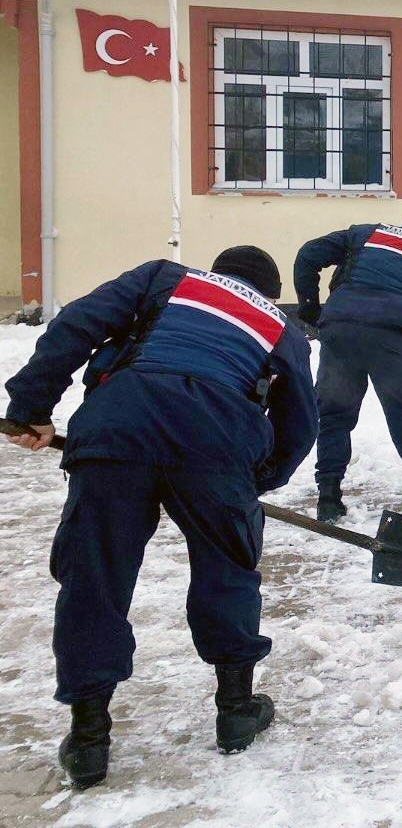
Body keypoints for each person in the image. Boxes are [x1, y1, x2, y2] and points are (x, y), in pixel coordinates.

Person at [2, 247, 319, 787]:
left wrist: (31, 407)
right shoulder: (280, 327)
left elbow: (78, 324)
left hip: (118, 426)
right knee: (228, 569)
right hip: (218, 441)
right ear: (268, 292)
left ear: (215, 273)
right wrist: (253, 484)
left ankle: (88, 738)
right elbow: (299, 426)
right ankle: (236, 710)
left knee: (94, 575)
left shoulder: (162, 280)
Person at [294, 209, 402, 522]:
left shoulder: (363, 234)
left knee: (334, 412)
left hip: (339, 328)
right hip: (389, 334)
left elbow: (308, 254)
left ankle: (328, 498)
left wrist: (310, 307)